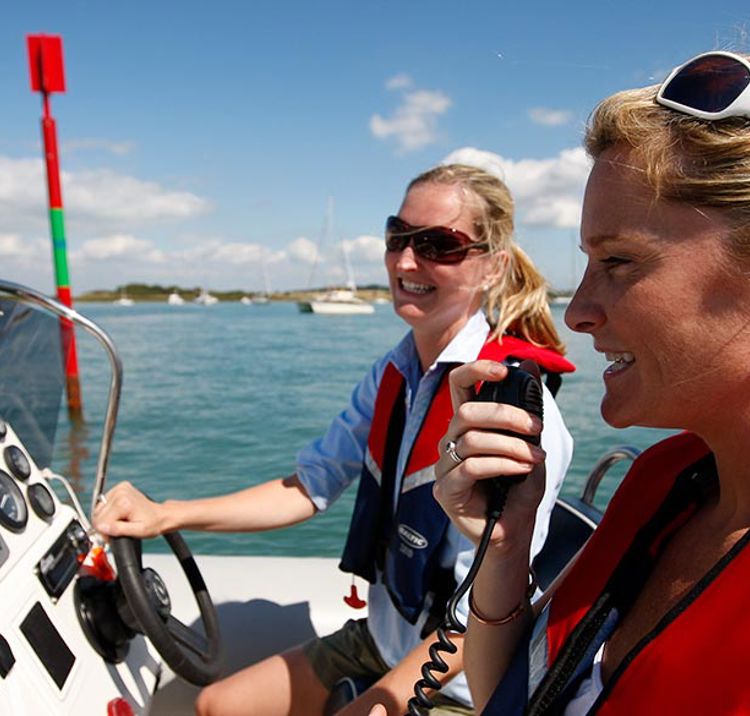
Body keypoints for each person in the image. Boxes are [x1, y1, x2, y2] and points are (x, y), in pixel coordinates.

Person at [93, 163, 574, 716]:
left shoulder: (510, 413)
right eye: (398, 237)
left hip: (461, 682)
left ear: (493, 267)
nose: (406, 260)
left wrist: (386, 698)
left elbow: (486, 611)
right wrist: (164, 515)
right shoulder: (392, 374)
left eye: (439, 244)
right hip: (381, 639)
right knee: (215, 707)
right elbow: (307, 486)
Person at [433, 51, 750, 715]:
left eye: (618, 261)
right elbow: (517, 698)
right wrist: (505, 548)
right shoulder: (666, 481)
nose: (576, 312)